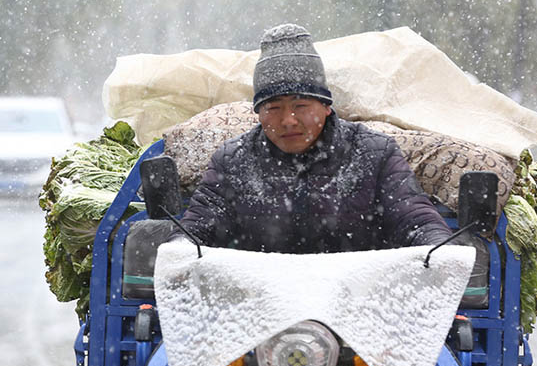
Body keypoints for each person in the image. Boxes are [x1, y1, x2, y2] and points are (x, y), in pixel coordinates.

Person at [170, 23, 452, 253]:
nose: (288, 120)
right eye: (273, 108)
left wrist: (440, 249)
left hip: (356, 299)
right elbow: (198, 226)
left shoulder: (375, 154)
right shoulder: (233, 160)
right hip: (259, 301)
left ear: (326, 106)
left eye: (301, 105)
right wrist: (179, 248)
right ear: (258, 113)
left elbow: (414, 218)